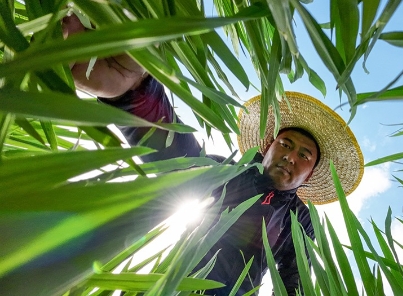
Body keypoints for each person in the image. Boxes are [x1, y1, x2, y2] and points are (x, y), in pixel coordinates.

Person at [64, 14, 363, 296]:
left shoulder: (299, 220)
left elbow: (294, 277)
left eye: (304, 155)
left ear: (310, 173)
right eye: (285, 145)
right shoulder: (227, 173)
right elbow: (180, 160)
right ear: (267, 147)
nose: (290, 157)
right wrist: (133, 92)